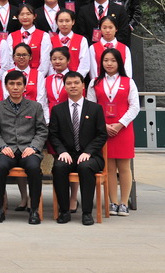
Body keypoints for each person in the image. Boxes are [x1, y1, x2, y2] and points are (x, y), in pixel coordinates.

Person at [0, 69, 47, 224]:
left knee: (34, 168)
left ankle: (34, 210)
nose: (15, 87)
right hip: (6, 150)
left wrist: (34, 147)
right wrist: (2, 146)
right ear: (6, 86)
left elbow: (42, 130)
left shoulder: (35, 107)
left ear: (24, 87)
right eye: (12, 84)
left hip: (28, 150)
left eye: (19, 84)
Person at [49, 70, 107, 226]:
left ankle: (87, 213)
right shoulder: (58, 110)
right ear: (65, 87)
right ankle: (64, 211)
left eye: (76, 83)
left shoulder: (95, 108)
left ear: (83, 86)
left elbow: (101, 135)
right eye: (69, 83)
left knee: (85, 167)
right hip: (67, 154)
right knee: (59, 167)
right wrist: (62, 151)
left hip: (91, 156)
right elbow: (53, 135)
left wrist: (88, 152)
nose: (73, 86)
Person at [88, 47, 139, 216]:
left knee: (124, 167)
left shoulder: (128, 81)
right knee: (108, 167)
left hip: (123, 129)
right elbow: (91, 107)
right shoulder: (94, 82)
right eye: (105, 60)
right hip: (103, 130)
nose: (109, 63)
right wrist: (103, 125)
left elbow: (135, 106)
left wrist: (120, 124)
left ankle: (124, 203)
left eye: (113, 60)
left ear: (119, 63)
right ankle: (113, 202)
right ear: (101, 63)